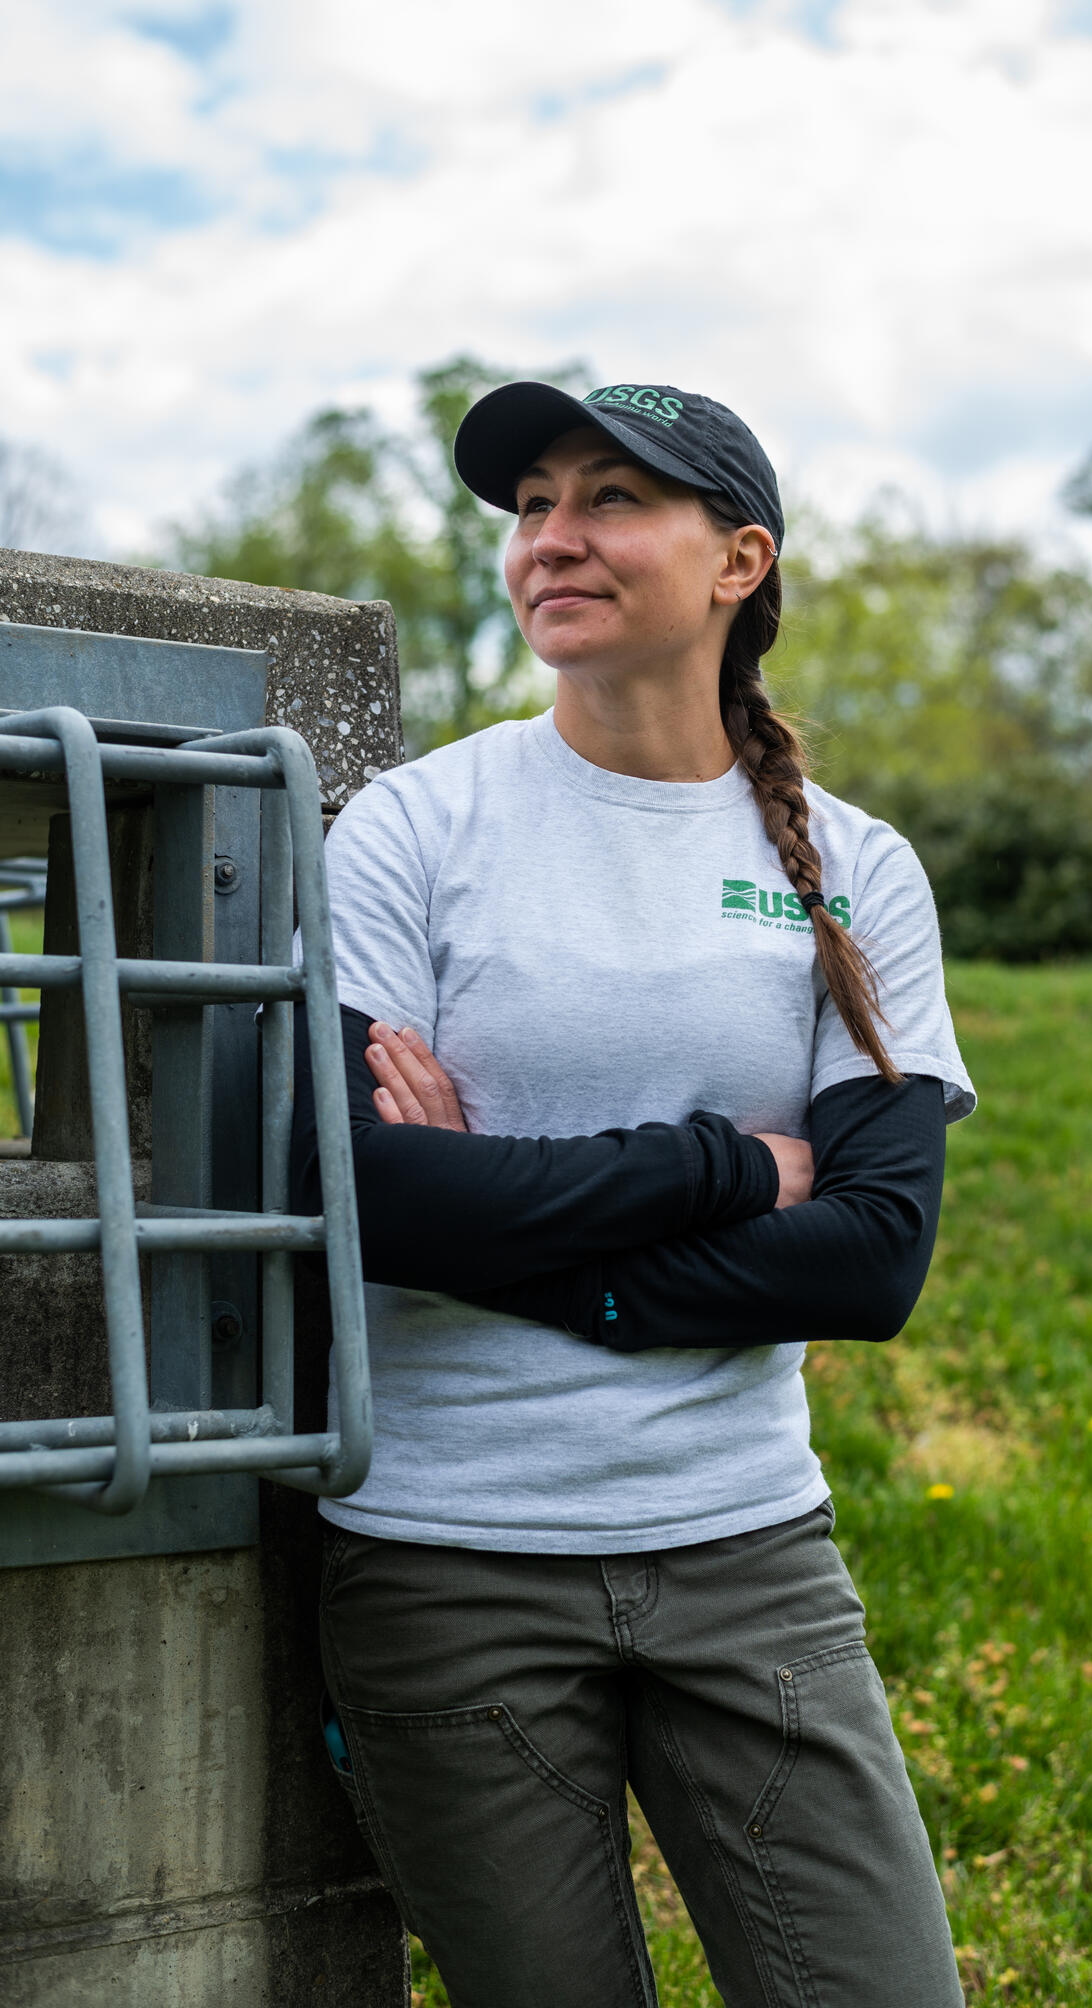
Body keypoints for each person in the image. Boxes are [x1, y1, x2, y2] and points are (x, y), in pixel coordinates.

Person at [291, 379, 975, 2008]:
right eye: (533, 504)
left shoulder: (853, 868)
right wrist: (724, 1166)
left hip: (746, 1548)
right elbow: (361, 1198)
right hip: (447, 1562)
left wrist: (509, 1225)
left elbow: (871, 1261)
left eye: (609, 500)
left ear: (739, 559)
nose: (553, 540)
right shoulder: (410, 830)